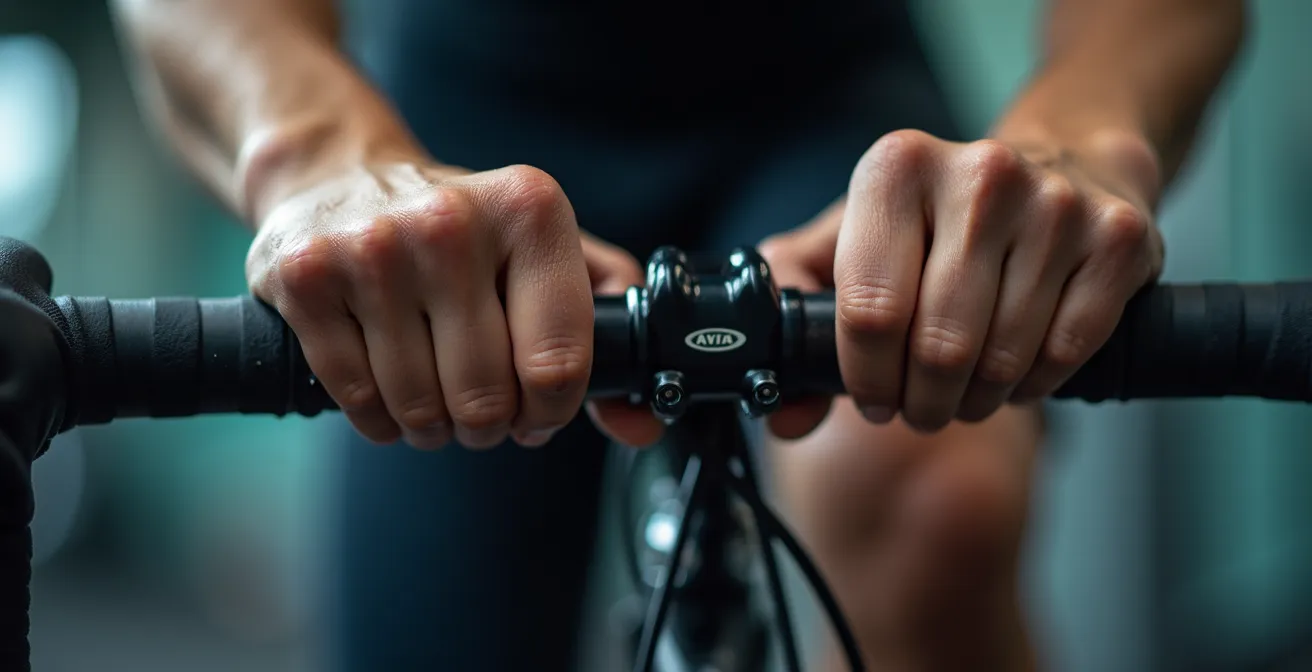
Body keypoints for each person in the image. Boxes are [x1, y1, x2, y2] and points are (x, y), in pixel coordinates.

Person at [110, 0, 1244, 669]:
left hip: (822, 101)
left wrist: (1085, 138)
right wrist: (315, 157)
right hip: (458, 130)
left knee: (922, 491)